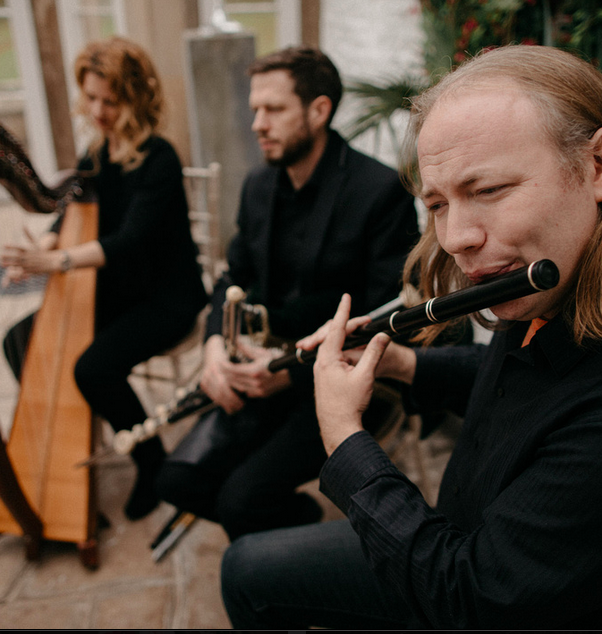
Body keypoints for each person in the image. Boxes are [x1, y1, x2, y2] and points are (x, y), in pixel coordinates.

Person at [219, 45, 602, 629]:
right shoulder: (557, 289)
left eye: (488, 191)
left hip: (467, 587)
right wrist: (404, 365)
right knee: (246, 567)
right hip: (466, 537)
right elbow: (538, 395)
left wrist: (345, 436)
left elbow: (470, 600)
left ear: (601, 165)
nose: (456, 237)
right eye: (437, 203)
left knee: (251, 574)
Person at [153, 46, 420, 541]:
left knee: (240, 502)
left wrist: (290, 371)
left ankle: (274, 539)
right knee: (174, 479)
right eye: (255, 109)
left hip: (342, 383)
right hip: (260, 373)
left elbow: (379, 315)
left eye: (273, 109)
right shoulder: (258, 185)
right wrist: (214, 346)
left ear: (319, 111)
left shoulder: (380, 190)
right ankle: (287, 519)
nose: (257, 123)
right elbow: (232, 276)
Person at [1, 37, 208, 521]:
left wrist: (58, 263)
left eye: (109, 100)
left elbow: (130, 240)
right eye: (90, 97)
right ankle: (80, 426)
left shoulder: (160, 159)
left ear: (135, 99)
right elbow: (73, 209)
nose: (97, 109)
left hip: (166, 296)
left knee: (93, 367)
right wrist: (45, 246)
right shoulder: (97, 152)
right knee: (19, 340)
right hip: (118, 289)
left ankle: (151, 459)